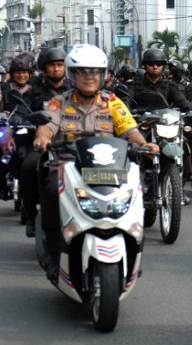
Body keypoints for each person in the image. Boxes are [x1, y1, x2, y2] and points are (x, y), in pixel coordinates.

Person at [31, 44, 159, 280]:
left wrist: (144, 144)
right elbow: (46, 127)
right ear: (72, 75)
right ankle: (52, 252)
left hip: (109, 168)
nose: (89, 77)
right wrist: (42, 138)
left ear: (102, 75)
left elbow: (129, 129)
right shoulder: (59, 103)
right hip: (69, 167)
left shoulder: (112, 101)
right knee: (50, 191)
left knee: (136, 190)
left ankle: (132, 249)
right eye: (82, 72)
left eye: (94, 72)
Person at [18, 48, 70, 237]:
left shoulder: (74, 90)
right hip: (42, 143)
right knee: (28, 167)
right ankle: (31, 215)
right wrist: (20, 119)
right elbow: (21, 110)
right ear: (44, 69)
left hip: (71, 143)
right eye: (52, 66)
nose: (56, 69)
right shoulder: (34, 91)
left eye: (59, 65)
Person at [123, 48, 192, 113]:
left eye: (159, 64)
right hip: (141, 124)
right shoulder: (134, 85)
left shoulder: (170, 86)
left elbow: (183, 102)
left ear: (163, 66)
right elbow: (126, 103)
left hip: (165, 124)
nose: (155, 67)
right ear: (145, 65)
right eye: (151, 64)